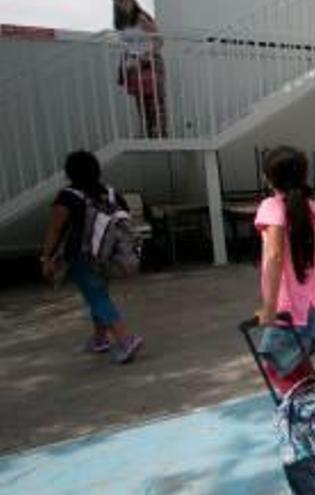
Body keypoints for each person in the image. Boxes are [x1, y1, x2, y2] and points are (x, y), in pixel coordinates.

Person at [40, 150, 144, 364]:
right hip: (107, 255)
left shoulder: (68, 196)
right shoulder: (111, 193)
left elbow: (54, 229)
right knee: (98, 294)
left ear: (70, 172)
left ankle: (126, 339)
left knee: (96, 297)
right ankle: (99, 338)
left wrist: (46, 257)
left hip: (82, 257)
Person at [255, 147, 315, 332]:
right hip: (313, 304)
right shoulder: (314, 208)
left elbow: (274, 255)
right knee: (295, 359)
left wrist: (270, 307)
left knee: (275, 359)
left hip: (285, 307)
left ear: (268, 178)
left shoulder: (271, 207)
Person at [114, 0, 166, 138]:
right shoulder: (121, 23)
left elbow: (159, 40)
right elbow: (127, 44)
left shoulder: (141, 17)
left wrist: (143, 56)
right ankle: (149, 135)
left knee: (155, 104)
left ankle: (160, 136)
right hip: (134, 66)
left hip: (150, 63)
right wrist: (128, 60)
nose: (122, 3)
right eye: (118, 1)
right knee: (142, 105)